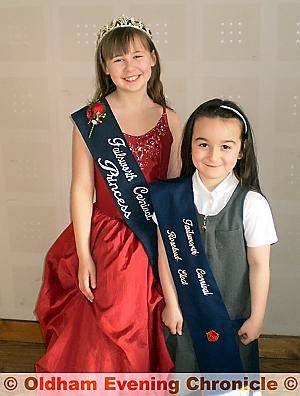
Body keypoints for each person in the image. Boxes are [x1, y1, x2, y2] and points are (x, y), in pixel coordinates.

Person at [35, 15, 181, 372]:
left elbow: (175, 195)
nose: (129, 67)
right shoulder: (92, 119)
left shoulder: (170, 120)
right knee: (103, 332)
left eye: (136, 56)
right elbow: (82, 189)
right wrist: (84, 255)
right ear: (105, 67)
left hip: (155, 241)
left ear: (153, 58)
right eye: (118, 59)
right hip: (107, 241)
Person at [151, 98, 278, 373]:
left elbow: (259, 265)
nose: (213, 156)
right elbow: (165, 256)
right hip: (185, 318)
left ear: (242, 150)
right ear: (191, 145)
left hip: (231, 322)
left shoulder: (252, 204)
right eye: (203, 144)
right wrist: (172, 304)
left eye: (226, 146)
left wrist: (257, 317)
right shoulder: (169, 198)